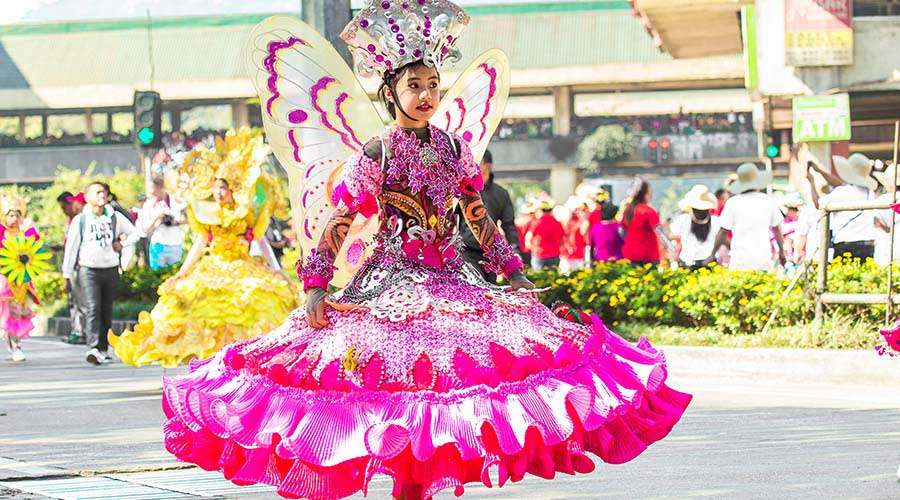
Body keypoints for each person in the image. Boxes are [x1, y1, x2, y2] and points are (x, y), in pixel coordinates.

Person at [160, 6, 690, 499]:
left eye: (433, 85)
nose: (427, 95)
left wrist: (512, 273)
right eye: (415, 85)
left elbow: (477, 216)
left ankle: (421, 483)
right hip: (389, 280)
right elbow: (340, 219)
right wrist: (318, 285)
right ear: (391, 91)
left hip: (453, 278)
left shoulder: (455, 148)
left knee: (470, 373)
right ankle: (403, 481)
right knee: (388, 382)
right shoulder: (377, 152)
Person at [109, 129, 299, 368]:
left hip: (243, 267)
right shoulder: (207, 214)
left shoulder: (246, 215)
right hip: (212, 267)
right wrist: (182, 272)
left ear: (233, 190)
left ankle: (242, 361)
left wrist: (276, 268)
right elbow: (199, 244)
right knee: (194, 307)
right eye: (217, 188)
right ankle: (210, 361)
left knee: (252, 305)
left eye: (224, 189)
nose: (219, 193)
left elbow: (261, 242)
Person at [61, 182, 140, 365]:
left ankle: (103, 348)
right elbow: (71, 249)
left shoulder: (114, 217)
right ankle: (94, 347)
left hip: (110, 268)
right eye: (97, 192)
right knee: (93, 306)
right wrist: (66, 274)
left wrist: (123, 244)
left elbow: (135, 233)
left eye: (104, 192)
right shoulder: (81, 220)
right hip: (88, 269)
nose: (102, 195)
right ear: (87, 197)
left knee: (106, 308)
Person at [708, 163, 785, 270]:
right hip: (763, 259)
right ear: (758, 182)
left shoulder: (732, 203)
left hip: (739, 260)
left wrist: (712, 254)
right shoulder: (768, 201)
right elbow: (777, 230)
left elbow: (723, 232)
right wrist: (782, 252)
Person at [456, 149, 518, 283]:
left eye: (478, 161)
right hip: (466, 252)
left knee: (489, 292)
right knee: (474, 288)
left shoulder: (501, 194)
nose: (472, 165)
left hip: (491, 256)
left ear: (488, 165)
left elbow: (509, 225)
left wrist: (514, 250)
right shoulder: (462, 189)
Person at [809, 154, 879, 261]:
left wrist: (811, 181)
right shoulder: (869, 193)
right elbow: (839, 184)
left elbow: (819, 205)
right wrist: (820, 171)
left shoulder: (843, 192)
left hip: (846, 244)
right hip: (868, 243)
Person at [0, 194, 41, 362]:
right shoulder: (2, 234)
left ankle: (16, 345)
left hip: (22, 280)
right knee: (10, 313)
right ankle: (14, 345)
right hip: (5, 279)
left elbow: (35, 250)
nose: (15, 218)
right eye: (11, 215)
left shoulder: (25, 234)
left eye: (17, 214)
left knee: (18, 313)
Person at [137, 176, 187, 270]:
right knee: (157, 277)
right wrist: (157, 217)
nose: (150, 192)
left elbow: (187, 219)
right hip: (158, 245)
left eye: (152, 188)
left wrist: (175, 222)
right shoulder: (148, 205)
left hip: (175, 244)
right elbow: (145, 229)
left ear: (160, 187)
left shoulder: (174, 200)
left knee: (174, 276)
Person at [58, 191, 87, 345]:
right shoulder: (72, 220)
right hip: (72, 266)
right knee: (73, 301)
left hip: (80, 266)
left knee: (81, 301)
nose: (64, 211)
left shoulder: (81, 220)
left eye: (65, 207)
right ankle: (77, 330)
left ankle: (82, 332)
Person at [669, 185, 720, 269]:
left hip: (689, 264)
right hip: (709, 263)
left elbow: (671, 236)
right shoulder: (716, 221)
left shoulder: (683, 220)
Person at [620, 177, 661, 265]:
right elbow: (660, 233)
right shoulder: (649, 211)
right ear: (645, 194)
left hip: (630, 254)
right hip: (648, 255)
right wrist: (673, 251)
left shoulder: (627, 210)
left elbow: (623, 232)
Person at [529, 200, 565, 269]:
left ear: (541, 210)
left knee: (538, 277)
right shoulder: (557, 223)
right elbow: (562, 240)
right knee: (553, 278)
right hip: (554, 255)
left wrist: (533, 250)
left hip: (539, 255)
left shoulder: (537, 222)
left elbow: (528, 238)